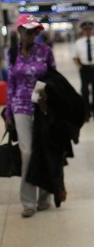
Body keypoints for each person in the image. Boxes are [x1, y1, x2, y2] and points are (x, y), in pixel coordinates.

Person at [3, 15, 56, 217]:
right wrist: (8, 112)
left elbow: (55, 79)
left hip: (42, 108)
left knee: (43, 150)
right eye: (28, 31)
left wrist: (48, 96)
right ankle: (28, 202)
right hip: (20, 107)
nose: (32, 35)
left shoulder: (45, 51)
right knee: (27, 153)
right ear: (19, 31)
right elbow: (11, 84)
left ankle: (44, 197)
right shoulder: (12, 53)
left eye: (35, 31)